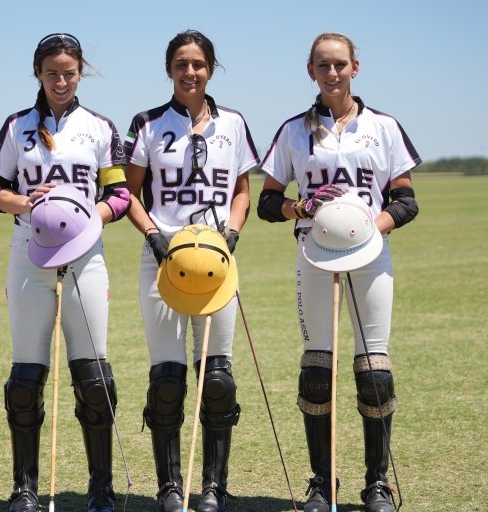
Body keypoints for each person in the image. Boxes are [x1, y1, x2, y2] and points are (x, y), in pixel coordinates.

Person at [256, 32, 421, 512]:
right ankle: (322, 482)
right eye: (323, 65)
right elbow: (267, 202)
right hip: (314, 255)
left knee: (374, 374)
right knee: (316, 371)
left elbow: (405, 201)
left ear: (355, 68)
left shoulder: (384, 127)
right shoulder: (294, 130)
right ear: (311, 71)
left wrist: (368, 228)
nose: (332, 73)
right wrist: (301, 207)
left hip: (370, 257)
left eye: (340, 64)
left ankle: (377, 484)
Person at [0, 32, 129, 512]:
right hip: (29, 253)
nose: (61, 82)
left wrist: (86, 217)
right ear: (38, 74)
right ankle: (24, 487)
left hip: (86, 257)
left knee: (94, 378)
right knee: (25, 379)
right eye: (51, 74)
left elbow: (120, 195)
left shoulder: (100, 127)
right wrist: (24, 203)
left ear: (80, 73)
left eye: (68, 73)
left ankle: (100, 488)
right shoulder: (17, 126)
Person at [123, 30, 260, 512]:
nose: (190, 72)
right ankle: (169, 486)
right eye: (181, 64)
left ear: (211, 69)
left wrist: (233, 233)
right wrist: (154, 237)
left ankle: (213, 487)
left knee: (217, 379)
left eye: (198, 64)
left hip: (217, 263)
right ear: (169, 70)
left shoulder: (234, 123)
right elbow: (128, 193)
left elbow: (241, 191)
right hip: (164, 260)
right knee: (167, 380)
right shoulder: (147, 123)